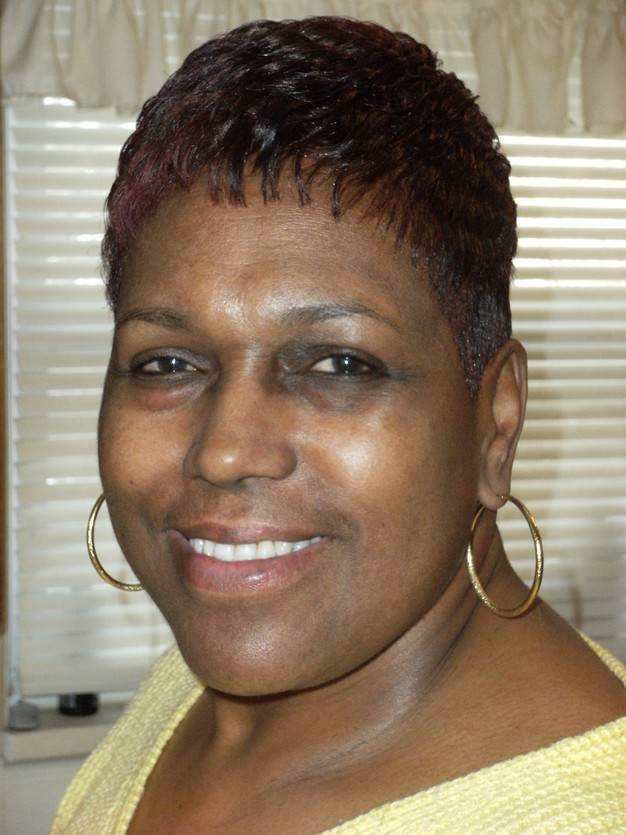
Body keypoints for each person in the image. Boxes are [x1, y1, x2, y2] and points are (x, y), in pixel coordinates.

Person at [52, 16, 626, 834]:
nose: (223, 452)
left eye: (340, 365)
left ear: (496, 422)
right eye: (167, 362)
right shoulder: (233, 660)